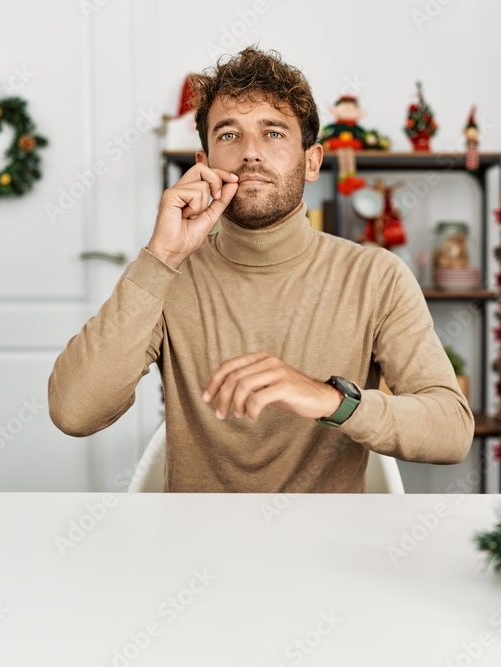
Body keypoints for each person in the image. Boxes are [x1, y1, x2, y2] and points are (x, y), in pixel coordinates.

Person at [48, 47, 474, 492]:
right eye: (229, 136)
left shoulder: (376, 276)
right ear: (204, 164)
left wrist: (329, 399)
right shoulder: (168, 275)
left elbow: (451, 430)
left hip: (328, 550)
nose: (251, 154)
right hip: (193, 548)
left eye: (273, 133)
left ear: (312, 161)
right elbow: (74, 412)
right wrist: (161, 258)